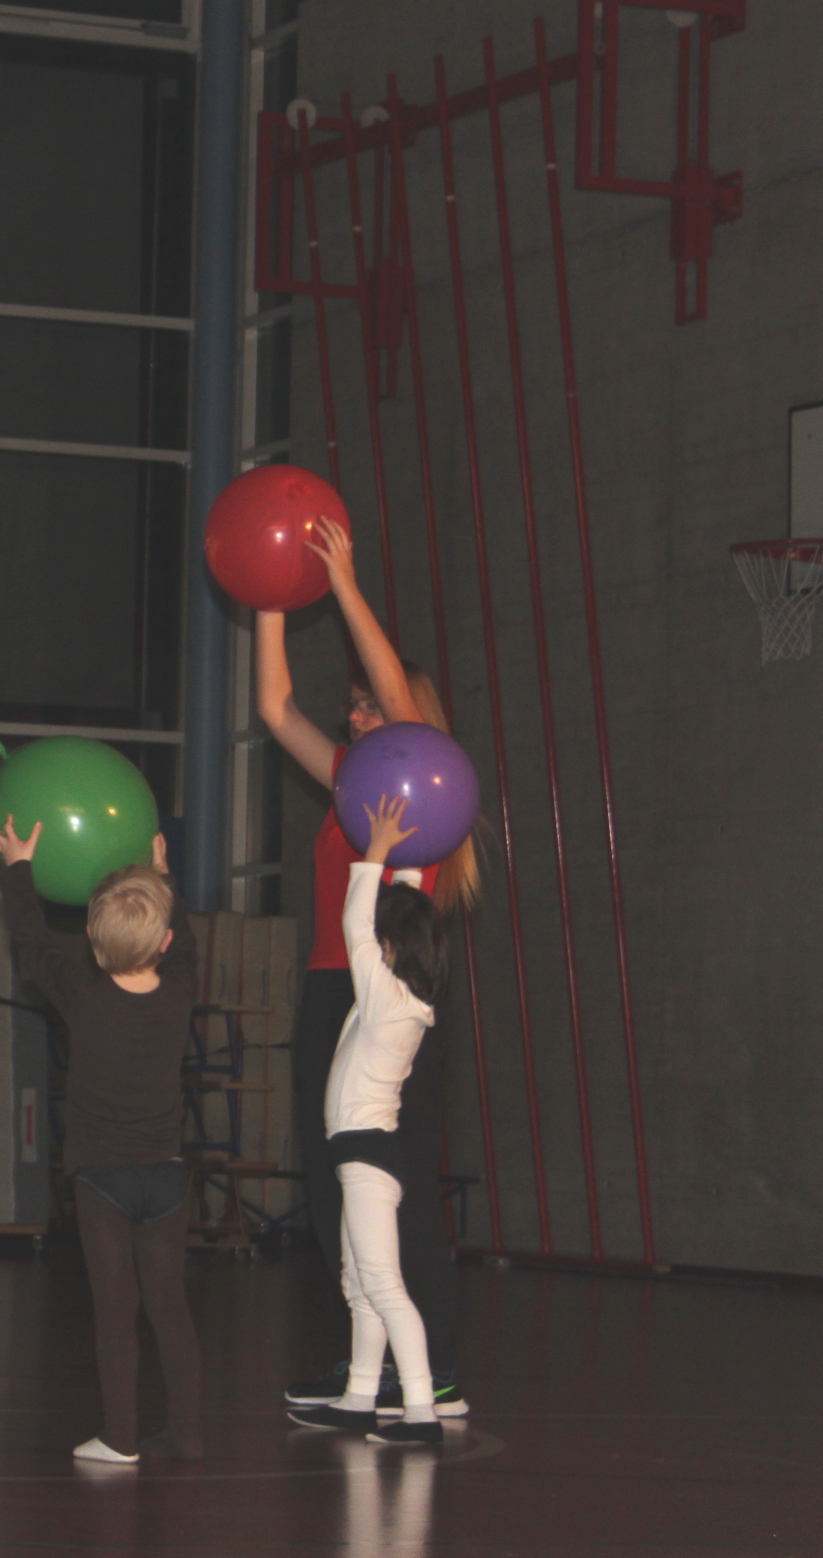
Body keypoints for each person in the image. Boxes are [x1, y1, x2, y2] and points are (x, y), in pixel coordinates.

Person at [260, 518, 474, 1420]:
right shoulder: (350, 783)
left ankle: (438, 1371)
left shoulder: (423, 787)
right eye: (351, 708)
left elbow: (397, 693)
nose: (357, 715)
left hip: (387, 994)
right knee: (329, 1180)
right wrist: (268, 591)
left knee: (397, 1184)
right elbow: (276, 710)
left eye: (368, 707)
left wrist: (343, 584)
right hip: (327, 988)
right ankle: (368, 1368)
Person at [0, 822, 201, 1465]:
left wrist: (19, 868)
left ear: (89, 936)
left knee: (116, 1310)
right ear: (164, 942)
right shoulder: (181, 990)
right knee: (170, 1307)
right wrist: (163, 877)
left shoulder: (81, 994)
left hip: (102, 1179)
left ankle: (120, 1437)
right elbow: (188, 942)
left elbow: (30, 942)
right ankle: (187, 1433)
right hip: (166, 1177)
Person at [289, 796, 447, 1447]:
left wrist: (375, 853)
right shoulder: (399, 994)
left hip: (366, 1157)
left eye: (383, 941)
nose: (373, 945)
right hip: (359, 1152)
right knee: (360, 1283)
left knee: (383, 1284)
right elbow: (393, 920)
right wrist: (407, 866)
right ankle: (359, 1396)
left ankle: (421, 1411)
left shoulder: (386, 1000)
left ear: (391, 948)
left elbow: (356, 923)